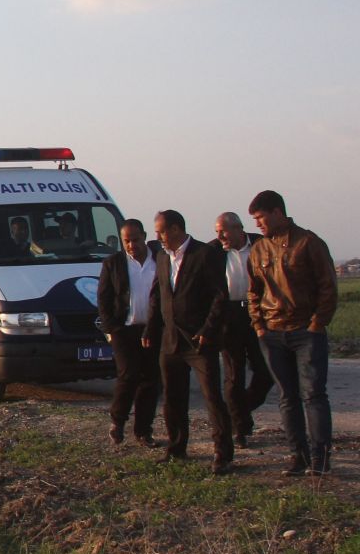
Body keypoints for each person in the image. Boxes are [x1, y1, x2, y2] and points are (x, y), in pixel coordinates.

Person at [247, 190, 338, 476]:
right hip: (272, 333)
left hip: (305, 331)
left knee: (313, 395)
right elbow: (253, 291)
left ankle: (320, 459)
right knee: (287, 397)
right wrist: (259, 325)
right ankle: (297, 456)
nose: (258, 224)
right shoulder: (259, 249)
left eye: (260, 217)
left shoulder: (308, 243)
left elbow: (328, 286)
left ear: (277, 212)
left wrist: (317, 323)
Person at [145, 210, 233, 474]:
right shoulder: (161, 257)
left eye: (160, 231)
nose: (157, 236)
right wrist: (151, 328)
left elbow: (220, 296)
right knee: (173, 396)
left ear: (174, 229)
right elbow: (157, 295)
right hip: (170, 339)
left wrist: (208, 329)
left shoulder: (205, 254)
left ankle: (223, 453)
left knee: (211, 397)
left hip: (199, 340)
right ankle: (177, 447)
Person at [213, 211, 274, 448]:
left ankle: (240, 410)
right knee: (233, 375)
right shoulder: (213, 251)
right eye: (217, 232)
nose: (220, 236)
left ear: (239, 229)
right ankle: (240, 427)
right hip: (229, 316)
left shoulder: (261, 245)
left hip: (258, 313)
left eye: (223, 231)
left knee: (265, 372)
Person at [98, 219, 160, 447]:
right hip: (124, 330)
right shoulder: (113, 263)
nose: (132, 245)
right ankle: (118, 421)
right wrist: (111, 328)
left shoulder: (159, 260)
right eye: (127, 241)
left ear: (144, 236)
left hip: (152, 329)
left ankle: (144, 430)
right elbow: (103, 299)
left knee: (150, 380)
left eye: (135, 240)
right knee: (128, 374)